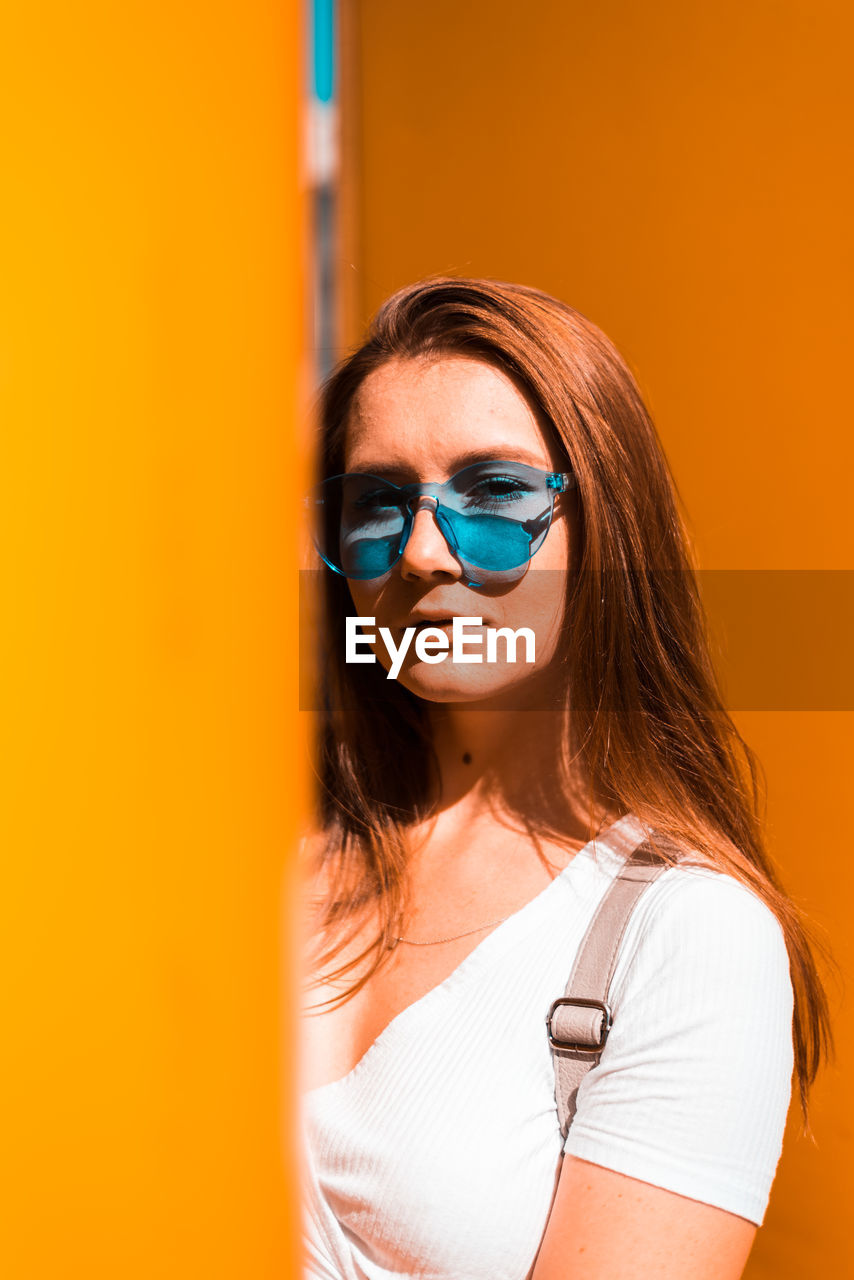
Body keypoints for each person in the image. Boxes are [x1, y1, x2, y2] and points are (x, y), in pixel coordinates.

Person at [298, 277, 831, 1280]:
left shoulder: (687, 935)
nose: (417, 551)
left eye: (493, 493)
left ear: (607, 530)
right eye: (376, 501)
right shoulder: (263, 855)